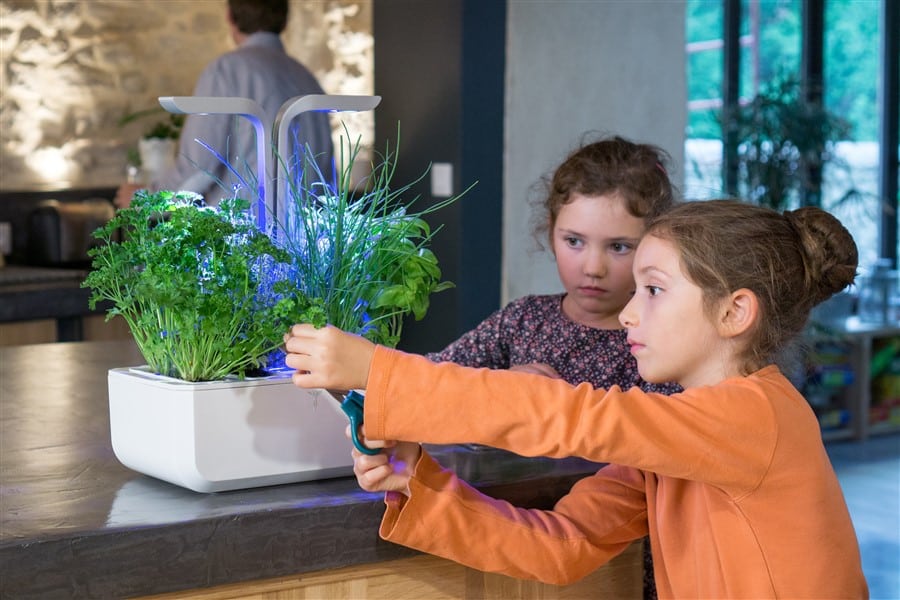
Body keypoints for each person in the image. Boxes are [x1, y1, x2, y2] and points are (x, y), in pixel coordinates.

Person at [283, 199, 868, 598]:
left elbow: (571, 415)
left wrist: (384, 373)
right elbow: (561, 546)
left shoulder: (755, 416)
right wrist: (419, 481)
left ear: (734, 311)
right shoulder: (676, 439)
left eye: (655, 290)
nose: (630, 311)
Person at [424, 135, 681, 600]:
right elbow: (435, 380)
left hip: (620, 554)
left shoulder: (664, 347)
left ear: (657, 246)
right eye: (575, 241)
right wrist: (502, 387)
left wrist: (551, 406)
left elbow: (657, 448)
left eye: (620, 246)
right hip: (515, 536)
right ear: (550, 231)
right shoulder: (523, 318)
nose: (594, 267)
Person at [115, 0, 333, 209]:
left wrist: (147, 200)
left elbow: (198, 169)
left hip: (242, 240)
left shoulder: (226, 71)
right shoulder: (309, 80)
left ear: (229, 16)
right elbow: (327, 177)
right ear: (285, 20)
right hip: (308, 242)